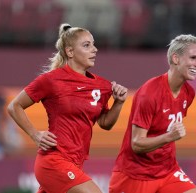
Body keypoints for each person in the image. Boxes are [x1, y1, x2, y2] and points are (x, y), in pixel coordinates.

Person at [7, 23, 128, 193]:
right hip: (53, 161)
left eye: (93, 44)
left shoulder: (102, 86)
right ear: (70, 52)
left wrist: (119, 102)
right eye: (87, 45)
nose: (95, 50)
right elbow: (14, 106)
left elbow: (105, 123)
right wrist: (35, 134)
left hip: (75, 164)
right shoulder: (51, 80)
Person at [109, 34, 196, 193]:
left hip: (168, 171)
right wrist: (170, 137)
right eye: (193, 58)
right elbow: (137, 143)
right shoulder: (149, 93)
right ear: (176, 59)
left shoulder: (189, 93)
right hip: (136, 174)